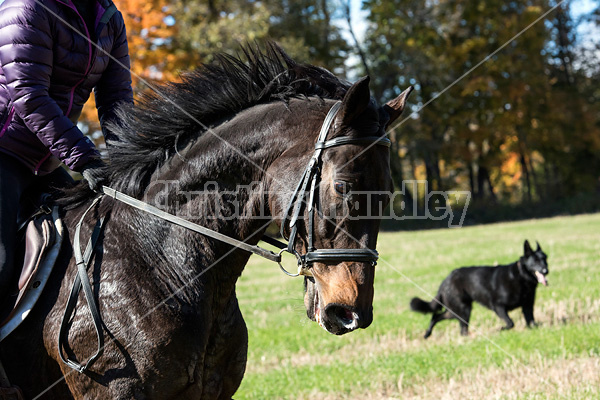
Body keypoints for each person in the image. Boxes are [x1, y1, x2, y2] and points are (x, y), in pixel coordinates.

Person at [0, 0, 134, 308]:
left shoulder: (108, 17)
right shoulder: (28, 7)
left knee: (97, 240)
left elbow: (116, 98)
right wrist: (84, 157)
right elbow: (27, 93)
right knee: (2, 263)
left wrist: (130, 165)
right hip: (4, 148)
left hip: (46, 160)